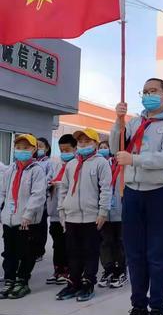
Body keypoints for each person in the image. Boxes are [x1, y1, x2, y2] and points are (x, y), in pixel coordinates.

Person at [110, 78, 163, 315]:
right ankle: (138, 307)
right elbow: (115, 148)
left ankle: (157, 310)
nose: (149, 95)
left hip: (158, 193)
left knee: (156, 254)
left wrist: (135, 160)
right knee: (134, 253)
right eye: (145, 92)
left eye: (154, 91)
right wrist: (118, 124)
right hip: (132, 192)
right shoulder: (134, 122)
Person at [56, 128, 111, 302]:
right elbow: (63, 189)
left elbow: (106, 189)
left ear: (95, 143)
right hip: (71, 216)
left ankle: (88, 282)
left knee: (90, 252)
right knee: (73, 252)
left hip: (91, 217)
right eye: (80, 142)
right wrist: (62, 211)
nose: (83, 145)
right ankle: (74, 282)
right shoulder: (71, 164)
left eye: (87, 142)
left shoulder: (101, 163)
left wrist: (103, 212)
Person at [0, 134, 47, 299]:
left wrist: (28, 214)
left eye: (26, 148)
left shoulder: (37, 170)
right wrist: (2, 211)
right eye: (18, 148)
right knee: (9, 251)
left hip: (27, 221)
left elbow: (38, 195)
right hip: (9, 218)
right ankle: (10, 279)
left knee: (26, 251)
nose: (21, 151)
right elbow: (3, 193)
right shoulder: (11, 169)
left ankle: (22, 280)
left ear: (34, 149)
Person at [45, 134, 77, 285]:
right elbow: (49, 179)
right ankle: (58, 270)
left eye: (67, 150)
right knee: (57, 243)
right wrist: (50, 183)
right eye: (61, 150)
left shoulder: (78, 164)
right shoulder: (57, 164)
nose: (64, 153)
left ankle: (69, 270)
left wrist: (63, 184)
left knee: (69, 243)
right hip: (55, 212)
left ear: (75, 149)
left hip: (70, 212)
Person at [98, 141, 128, 289]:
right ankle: (108, 269)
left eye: (106, 147)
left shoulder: (126, 165)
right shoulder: (102, 165)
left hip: (122, 211)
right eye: (101, 147)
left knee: (121, 242)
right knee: (105, 242)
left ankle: (121, 271)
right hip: (105, 212)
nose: (104, 150)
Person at [36, 137, 52, 261]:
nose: (38, 148)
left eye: (41, 146)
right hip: (31, 197)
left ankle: (39, 251)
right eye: (36, 146)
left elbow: (49, 178)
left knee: (41, 225)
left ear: (46, 148)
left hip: (43, 197)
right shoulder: (33, 162)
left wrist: (40, 187)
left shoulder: (48, 163)